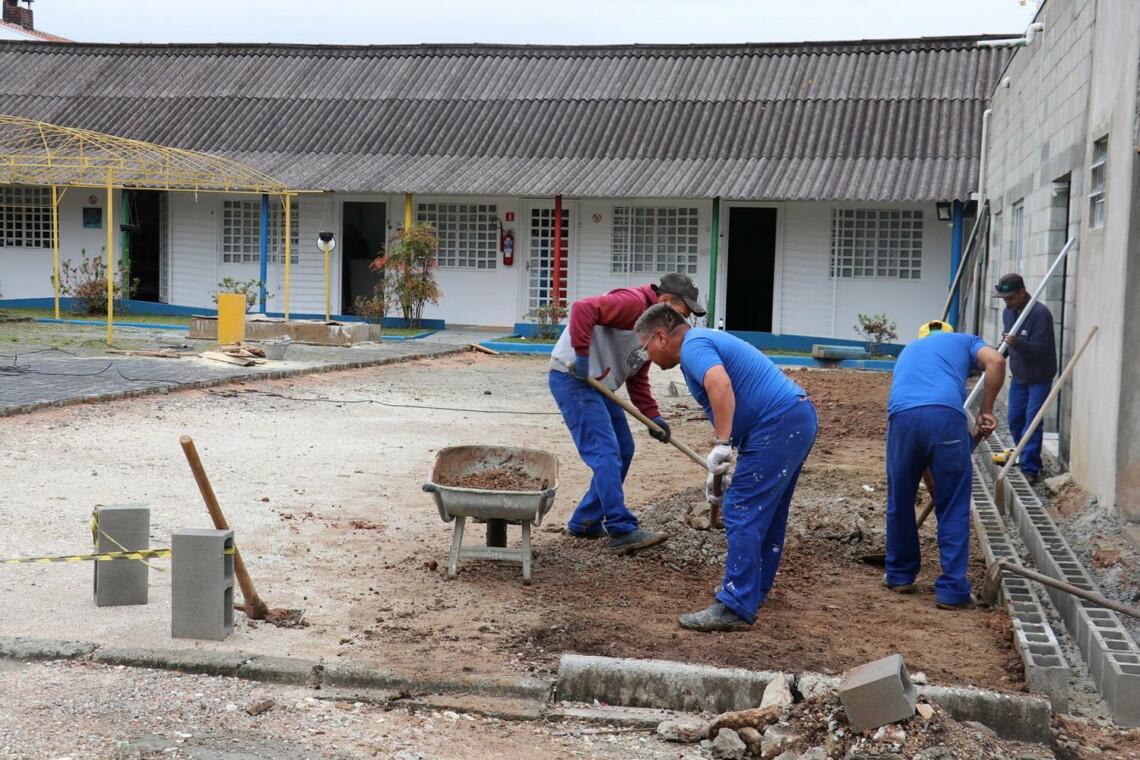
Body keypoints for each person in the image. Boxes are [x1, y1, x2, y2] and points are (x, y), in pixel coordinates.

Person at [634, 303, 818, 632]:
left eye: (645, 347)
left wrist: (722, 442)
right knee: (768, 511)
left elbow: (720, 386)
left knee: (742, 508)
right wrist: (721, 457)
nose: (647, 356)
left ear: (661, 337)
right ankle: (753, 591)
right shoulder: (701, 342)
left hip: (777, 423)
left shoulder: (693, 346)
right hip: (792, 418)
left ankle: (736, 603)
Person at [548, 273, 706, 553]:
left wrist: (653, 416)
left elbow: (637, 373)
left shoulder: (653, 328)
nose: (686, 321)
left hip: (599, 385)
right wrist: (582, 355)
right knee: (606, 452)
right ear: (666, 301)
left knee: (624, 448)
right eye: (684, 312)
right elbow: (582, 308)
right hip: (574, 378)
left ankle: (586, 521)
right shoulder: (633, 304)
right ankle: (621, 528)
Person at [883, 319, 1005, 610]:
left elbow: (920, 438)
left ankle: (899, 575)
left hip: (902, 420)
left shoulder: (909, 351)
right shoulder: (966, 340)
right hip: (946, 419)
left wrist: (932, 479)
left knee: (899, 500)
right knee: (953, 506)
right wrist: (985, 411)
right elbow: (997, 362)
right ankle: (952, 590)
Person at [994, 273, 1057, 483]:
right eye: (1004, 299)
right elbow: (1006, 345)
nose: (1008, 302)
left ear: (1022, 292)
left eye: (1011, 297)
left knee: (1032, 422)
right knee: (1014, 419)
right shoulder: (1009, 312)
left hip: (1039, 377)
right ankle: (1029, 458)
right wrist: (994, 357)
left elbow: (1039, 350)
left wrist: (1017, 343)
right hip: (1019, 376)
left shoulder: (1040, 314)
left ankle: (1030, 469)